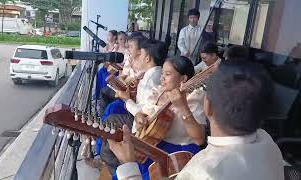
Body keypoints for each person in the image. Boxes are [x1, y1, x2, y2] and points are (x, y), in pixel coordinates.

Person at [109, 60, 285, 180]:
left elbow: (198, 139)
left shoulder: (203, 171)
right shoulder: (269, 144)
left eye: (168, 74)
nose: (163, 77)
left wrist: (128, 166)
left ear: (207, 106)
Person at [99, 40, 168, 175]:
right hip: (136, 113)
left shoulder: (151, 79)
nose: (137, 57)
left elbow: (144, 112)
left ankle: (116, 169)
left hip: (140, 123)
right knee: (111, 118)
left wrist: (126, 99)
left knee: (110, 121)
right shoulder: (151, 74)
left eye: (140, 55)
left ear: (147, 58)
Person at [95, 30, 119, 98]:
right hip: (106, 67)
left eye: (109, 35)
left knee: (105, 76)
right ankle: (98, 95)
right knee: (99, 73)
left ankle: (104, 96)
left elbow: (115, 61)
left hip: (114, 69)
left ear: (114, 37)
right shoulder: (107, 46)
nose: (107, 37)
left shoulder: (116, 47)